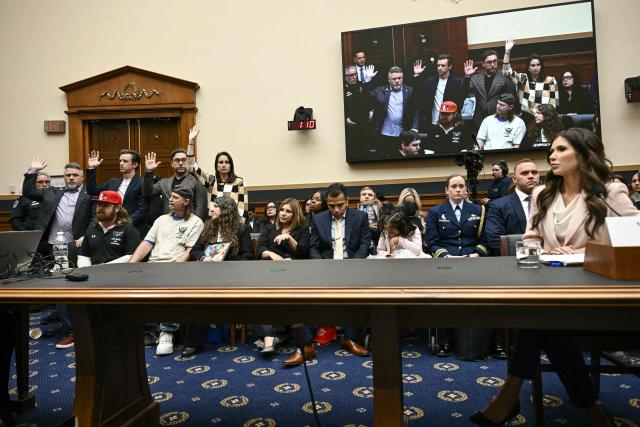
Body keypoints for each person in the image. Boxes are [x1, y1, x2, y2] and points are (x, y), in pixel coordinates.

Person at [470, 128, 638, 427]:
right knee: (546, 320)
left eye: (561, 150)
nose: (552, 156)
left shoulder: (609, 191)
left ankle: (508, 395)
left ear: (584, 154)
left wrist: (587, 252)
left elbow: (632, 238)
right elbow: (531, 240)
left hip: (596, 295)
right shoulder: (543, 194)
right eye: (551, 150)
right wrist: (543, 252)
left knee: (539, 321)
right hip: (552, 288)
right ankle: (591, 409)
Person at [286, 183, 370, 366]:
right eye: (332, 206)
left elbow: (364, 245)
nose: (336, 210)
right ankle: (305, 346)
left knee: (362, 291)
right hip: (325, 268)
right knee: (304, 294)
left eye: (340, 205)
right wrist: (323, 267)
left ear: (347, 201)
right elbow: (314, 248)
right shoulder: (318, 219)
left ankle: (350, 338)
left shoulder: (360, 217)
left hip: (352, 267)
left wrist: (353, 266)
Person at [22, 158, 93, 349]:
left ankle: (84, 326)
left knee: (81, 287)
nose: (71, 178)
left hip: (78, 246)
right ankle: (70, 330)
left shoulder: (89, 194)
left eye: (75, 175)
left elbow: (95, 217)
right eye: (67, 175)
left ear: (82, 177)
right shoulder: (53, 193)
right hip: (55, 246)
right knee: (61, 287)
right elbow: (28, 192)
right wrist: (32, 171)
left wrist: (87, 236)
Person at [129, 185, 204, 356]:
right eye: (170, 197)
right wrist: (131, 264)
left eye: (175, 197)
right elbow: (147, 243)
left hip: (176, 266)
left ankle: (166, 333)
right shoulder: (161, 220)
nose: (170, 200)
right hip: (153, 265)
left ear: (186, 201)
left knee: (169, 286)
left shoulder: (195, 222)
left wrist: (174, 268)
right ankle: (144, 331)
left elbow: (190, 250)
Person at [183, 196, 253, 356]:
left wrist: (224, 262)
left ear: (226, 210)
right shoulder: (208, 227)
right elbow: (195, 250)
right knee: (195, 294)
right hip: (208, 275)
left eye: (215, 206)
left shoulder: (241, 229)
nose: (211, 209)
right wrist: (204, 257)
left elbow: (248, 255)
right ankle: (193, 342)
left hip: (232, 276)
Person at [256, 198, 309, 354]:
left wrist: (289, 238)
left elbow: (303, 252)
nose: (283, 214)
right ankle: (270, 338)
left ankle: (271, 338)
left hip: (294, 276)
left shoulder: (302, 230)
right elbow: (259, 249)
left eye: (288, 211)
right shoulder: (270, 229)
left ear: (295, 214)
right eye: (282, 210)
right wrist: (271, 253)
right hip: (270, 274)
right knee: (261, 296)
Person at [187, 126, 247, 217]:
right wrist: (191, 142)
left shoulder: (239, 182)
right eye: (220, 162)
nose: (223, 165)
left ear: (231, 166)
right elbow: (191, 166)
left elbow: (243, 209)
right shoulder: (211, 181)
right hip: (214, 223)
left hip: (233, 225)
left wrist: (237, 227)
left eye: (227, 162)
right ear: (217, 166)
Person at [485, 159, 540, 255]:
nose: (531, 176)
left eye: (534, 172)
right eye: (525, 173)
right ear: (514, 179)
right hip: (515, 261)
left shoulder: (550, 202)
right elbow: (495, 240)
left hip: (550, 259)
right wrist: (531, 254)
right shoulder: (498, 205)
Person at [86, 149, 147, 230]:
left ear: (135, 164)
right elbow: (92, 190)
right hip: (110, 225)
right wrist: (92, 168)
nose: (121, 163)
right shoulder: (113, 182)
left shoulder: (142, 183)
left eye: (125, 161)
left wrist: (125, 223)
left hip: (132, 227)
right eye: (120, 161)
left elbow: (142, 210)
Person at [77, 191, 141, 267]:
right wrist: (87, 270)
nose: (100, 208)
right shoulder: (91, 229)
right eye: (99, 204)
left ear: (117, 208)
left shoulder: (129, 230)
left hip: (120, 274)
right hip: (94, 275)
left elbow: (131, 256)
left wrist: (104, 267)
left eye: (106, 205)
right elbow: (84, 255)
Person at [502, 39, 559, 122]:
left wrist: (546, 117)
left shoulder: (550, 80)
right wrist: (507, 52)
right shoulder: (523, 78)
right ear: (528, 68)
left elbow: (554, 104)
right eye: (533, 65)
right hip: (527, 117)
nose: (536, 68)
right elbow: (506, 72)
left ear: (541, 66)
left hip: (546, 118)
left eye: (538, 65)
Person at [142, 149, 208, 220]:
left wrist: (196, 225)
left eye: (184, 160)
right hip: (168, 223)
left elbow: (201, 207)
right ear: (172, 163)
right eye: (177, 160)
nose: (180, 163)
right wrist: (149, 171)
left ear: (188, 162)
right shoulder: (164, 182)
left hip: (188, 223)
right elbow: (147, 192)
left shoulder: (196, 181)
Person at [462, 50, 517, 129]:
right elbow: (464, 92)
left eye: (495, 61)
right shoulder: (476, 78)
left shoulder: (503, 77)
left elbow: (511, 96)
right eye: (489, 62)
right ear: (483, 64)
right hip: (480, 120)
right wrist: (467, 77)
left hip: (499, 118)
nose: (492, 65)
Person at [369, 66, 418, 154]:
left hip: (403, 134)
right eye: (394, 78)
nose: (397, 81)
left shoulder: (410, 91)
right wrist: (368, 80)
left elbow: (416, 111)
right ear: (389, 80)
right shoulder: (381, 91)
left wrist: (414, 128)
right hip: (385, 133)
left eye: (399, 78)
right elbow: (366, 97)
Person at [413, 53, 464, 132]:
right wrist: (417, 75)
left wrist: (467, 77)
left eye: (443, 66)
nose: (439, 68)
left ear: (450, 66)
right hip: (433, 123)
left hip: (450, 124)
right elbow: (418, 94)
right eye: (438, 65)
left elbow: (462, 97)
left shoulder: (457, 81)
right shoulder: (430, 81)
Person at [344, 65, 373, 159]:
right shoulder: (343, 88)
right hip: (351, 124)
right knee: (355, 151)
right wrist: (345, 118)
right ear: (345, 77)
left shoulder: (362, 85)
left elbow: (370, 99)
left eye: (355, 74)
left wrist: (372, 110)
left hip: (365, 122)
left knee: (366, 150)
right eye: (351, 75)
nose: (354, 77)